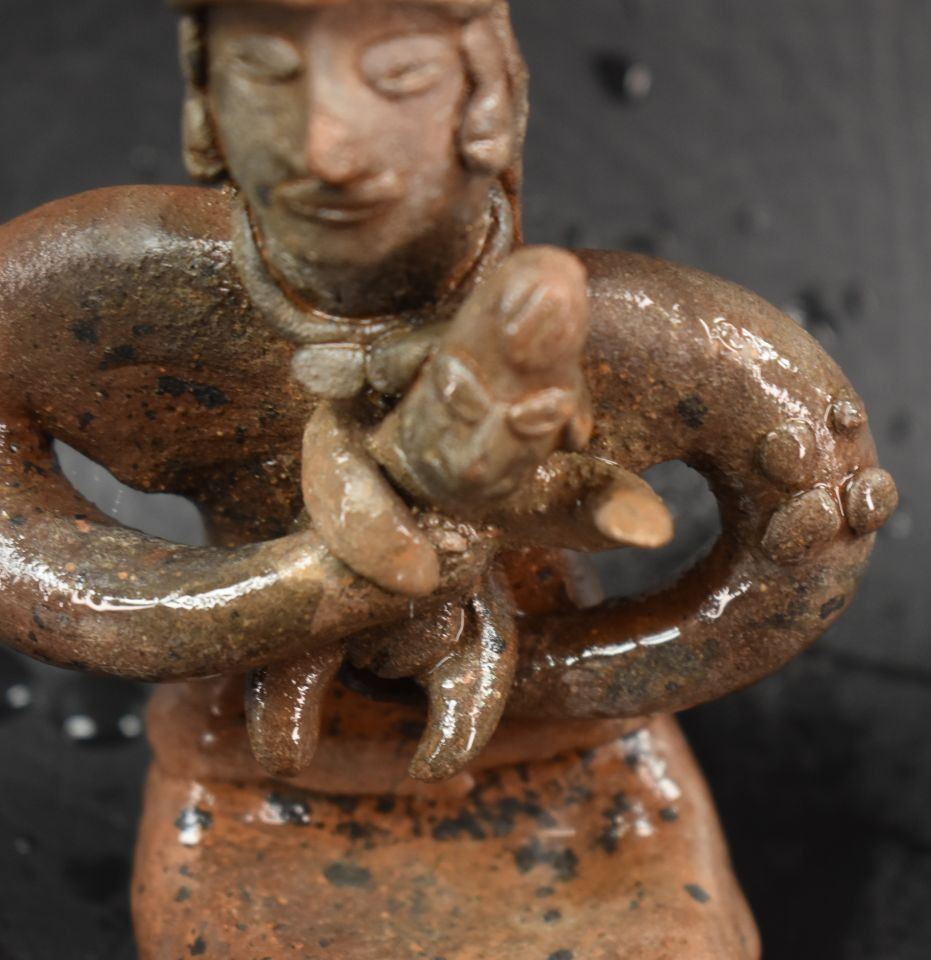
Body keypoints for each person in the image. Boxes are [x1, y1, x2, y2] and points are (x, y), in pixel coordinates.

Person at [0, 0, 896, 956]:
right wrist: (307, 589)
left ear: (490, 104)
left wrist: (547, 677)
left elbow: (806, 540)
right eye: (267, 73)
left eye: (399, 77)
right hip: (251, 768)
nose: (326, 149)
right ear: (203, 103)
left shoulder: (648, 337)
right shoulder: (98, 291)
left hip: (572, 760)